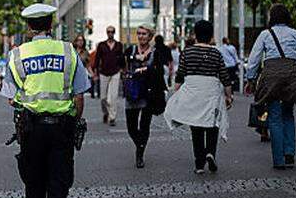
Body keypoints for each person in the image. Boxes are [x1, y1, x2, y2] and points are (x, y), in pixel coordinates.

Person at [1, 3, 90, 198]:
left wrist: (28, 105)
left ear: (29, 28)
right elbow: (79, 96)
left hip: (31, 130)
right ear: (51, 25)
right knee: (58, 190)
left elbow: (9, 97)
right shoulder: (68, 51)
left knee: (34, 186)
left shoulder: (17, 55)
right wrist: (73, 122)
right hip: (62, 129)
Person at [246, 4, 296, 169]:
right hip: (292, 79)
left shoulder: (265, 34)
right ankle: (289, 154)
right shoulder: (295, 34)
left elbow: (254, 59)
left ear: (272, 17)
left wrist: (251, 78)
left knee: (274, 118)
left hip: (272, 80)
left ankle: (278, 160)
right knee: (288, 115)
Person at [164, 21, 233, 174]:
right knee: (212, 125)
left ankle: (199, 165)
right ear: (211, 36)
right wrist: (229, 96)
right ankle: (210, 153)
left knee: (196, 127)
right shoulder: (216, 53)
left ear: (195, 34)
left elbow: (180, 75)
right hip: (211, 93)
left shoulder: (187, 52)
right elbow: (224, 77)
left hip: (193, 93)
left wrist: (177, 94)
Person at [124, 25, 165, 168]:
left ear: (150, 36)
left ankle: (140, 154)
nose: (141, 36)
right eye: (139, 33)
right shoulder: (131, 50)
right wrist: (134, 58)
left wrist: (145, 68)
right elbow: (122, 62)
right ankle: (139, 144)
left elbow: (159, 71)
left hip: (149, 93)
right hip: (133, 91)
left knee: (144, 126)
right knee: (131, 127)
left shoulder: (156, 52)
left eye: (144, 34)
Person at [93, 26, 125, 126]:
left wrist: (123, 69)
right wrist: (95, 72)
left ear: (114, 33)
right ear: (106, 33)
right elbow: (97, 59)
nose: (110, 33)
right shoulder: (101, 45)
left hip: (115, 72)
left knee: (113, 97)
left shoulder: (119, 45)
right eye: (108, 32)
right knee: (103, 98)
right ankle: (106, 113)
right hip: (103, 72)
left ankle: (112, 118)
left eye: (112, 32)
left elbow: (122, 58)